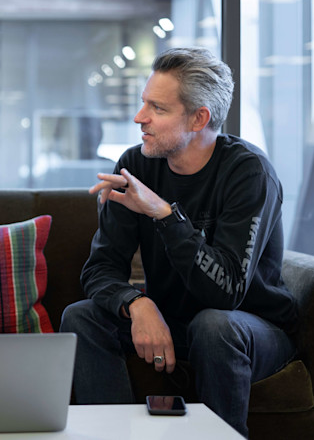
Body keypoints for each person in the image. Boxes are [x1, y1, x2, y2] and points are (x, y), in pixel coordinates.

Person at [59, 47, 298, 437]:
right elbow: (100, 269)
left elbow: (227, 293)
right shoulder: (135, 165)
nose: (140, 118)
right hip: (175, 321)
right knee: (80, 316)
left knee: (213, 325)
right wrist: (136, 303)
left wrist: (165, 214)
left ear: (199, 118)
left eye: (158, 108)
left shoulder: (249, 173)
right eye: (143, 104)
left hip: (251, 329)